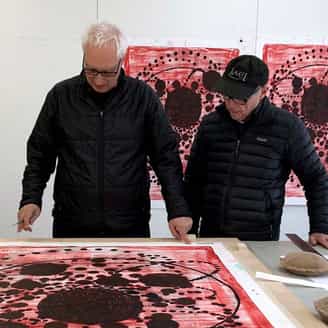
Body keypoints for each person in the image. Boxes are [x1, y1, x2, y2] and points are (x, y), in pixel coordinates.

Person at [18, 22, 192, 241]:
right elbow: (39, 155)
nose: (99, 80)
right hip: (72, 224)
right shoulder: (61, 96)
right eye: (91, 70)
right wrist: (31, 199)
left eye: (108, 72)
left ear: (121, 61)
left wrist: (178, 210)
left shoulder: (142, 97)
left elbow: (165, 157)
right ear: (84, 57)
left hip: (130, 225)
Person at [184, 54, 328, 247]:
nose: (232, 105)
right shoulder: (211, 125)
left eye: (241, 99)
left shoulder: (287, 127)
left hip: (260, 239)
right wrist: (190, 230)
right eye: (227, 96)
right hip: (211, 236)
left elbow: (316, 178)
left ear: (262, 92)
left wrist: (321, 226)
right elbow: (194, 181)